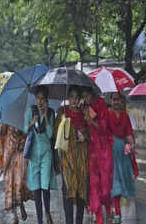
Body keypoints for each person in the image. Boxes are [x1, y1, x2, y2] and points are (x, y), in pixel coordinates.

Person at [55, 86, 89, 224]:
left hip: (81, 156)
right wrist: (63, 123)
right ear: (68, 98)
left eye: (76, 97)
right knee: (68, 189)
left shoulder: (84, 113)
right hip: (67, 156)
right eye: (71, 97)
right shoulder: (62, 113)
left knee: (81, 189)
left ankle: (79, 221)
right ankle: (69, 221)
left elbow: (91, 131)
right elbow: (56, 134)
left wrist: (84, 136)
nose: (74, 100)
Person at [24, 86, 57, 224]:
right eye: (38, 98)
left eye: (43, 99)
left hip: (46, 154)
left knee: (45, 186)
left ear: (46, 100)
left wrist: (45, 117)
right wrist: (32, 123)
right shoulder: (30, 111)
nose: (40, 101)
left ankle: (47, 212)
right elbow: (25, 129)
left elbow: (50, 134)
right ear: (35, 99)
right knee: (36, 188)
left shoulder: (50, 112)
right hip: (34, 154)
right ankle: (39, 220)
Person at [81, 88, 114, 224]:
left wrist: (91, 120)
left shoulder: (102, 105)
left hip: (104, 149)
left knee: (105, 187)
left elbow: (104, 129)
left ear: (92, 94)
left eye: (86, 95)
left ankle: (108, 206)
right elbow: (85, 129)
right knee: (94, 185)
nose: (85, 98)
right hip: (92, 150)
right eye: (83, 96)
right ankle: (98, 216)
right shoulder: (85, 107)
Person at [108, 92, 137, 224]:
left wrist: (132, 146)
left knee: (123, 182)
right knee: (115, 183)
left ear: (121, 101)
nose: (115, 102)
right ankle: (117, 213)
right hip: (111, 152)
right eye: (113, 100)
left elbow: (129, 134)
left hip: (123, 153)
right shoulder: (107, 115)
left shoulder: (125, 116)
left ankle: (116, 210)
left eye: (118, 100)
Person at [0, 124, 33, 224]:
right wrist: (2, 162)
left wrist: (22, 143)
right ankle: (15, 216)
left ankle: (21, 205)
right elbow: (1, 142)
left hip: (20, 158)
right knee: (11, 188)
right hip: (9, 160)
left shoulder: (23, 122)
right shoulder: (5, 125)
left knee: (20, 185)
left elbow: (28, 138)